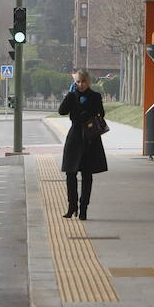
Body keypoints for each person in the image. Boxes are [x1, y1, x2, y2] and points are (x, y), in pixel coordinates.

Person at [58, 69, 107, 220]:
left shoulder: (96, 96)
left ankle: (83, 207)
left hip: (90, 138)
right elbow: (61, 111)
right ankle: (72, 206)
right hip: (74, 137)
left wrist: (87, 111)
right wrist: (70, 95)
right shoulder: (72, 95)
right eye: (78, 82)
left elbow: (101, 113)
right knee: (70, 173)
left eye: (83, 81)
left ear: (88, 82)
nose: (81, 84)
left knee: (87, 174)